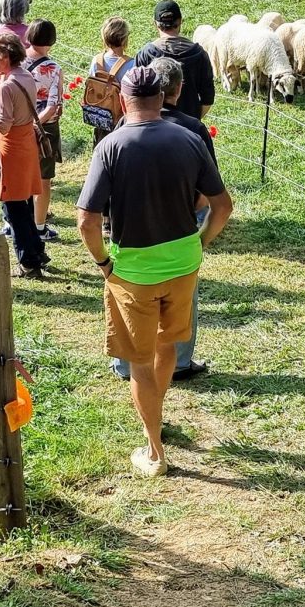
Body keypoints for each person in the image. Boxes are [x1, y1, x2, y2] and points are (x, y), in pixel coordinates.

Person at [76, 66, 233, 477]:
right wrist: (198, 243)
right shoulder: (190, 138)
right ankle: (155, 416)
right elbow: (222, 207)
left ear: (124, 100)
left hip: (133, 272)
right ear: (162, 97)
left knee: (140, 361)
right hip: (184, 265)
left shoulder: (110, 146)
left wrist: (103, 263)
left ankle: (154, 450)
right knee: (168, 348)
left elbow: (86, 221)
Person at [110, 57, 215, 383]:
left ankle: (127, 364)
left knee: (132, 294)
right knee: (183, 294)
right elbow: (208, 190)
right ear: (179, 88)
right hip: (180, 226)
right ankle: (180, 361)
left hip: (133, 227)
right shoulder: (194, 128)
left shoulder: (123, 128)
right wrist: (199, 233)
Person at [0, 33, 49, 278]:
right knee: (25, 202)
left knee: (13, 207)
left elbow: (3, 125)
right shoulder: (25, 76)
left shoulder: (8, 84)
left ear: (6, 56)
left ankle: (28, 261)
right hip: (27, 145)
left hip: (11, 150)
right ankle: (37, 251)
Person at [133, 0, 216, 122]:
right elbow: (208, 99)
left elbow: (135, 95)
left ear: (155, 24)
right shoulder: (199, 55)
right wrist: (192, 121)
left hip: (153, 128)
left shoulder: (145, 54)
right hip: (188, 130)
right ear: (181, 21)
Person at [23, 19, 64, 242]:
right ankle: (39, 226)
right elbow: (53, 106)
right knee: (43, 179)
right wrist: (36, 123)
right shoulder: (54, 69)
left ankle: (14, 222)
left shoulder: (16, 61)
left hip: (17, 125)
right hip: (44, 129)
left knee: (19, 176)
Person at [87, 16, 135, 148]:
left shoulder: (97, 60)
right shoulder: (132, 64)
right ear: (125, 39)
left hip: (100, 117)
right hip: (121, 119)